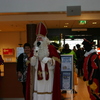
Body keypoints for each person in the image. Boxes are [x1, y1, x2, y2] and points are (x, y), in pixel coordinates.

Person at [26, 22, 61, 100]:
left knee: (48, 92)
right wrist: (34, 56)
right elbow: (31, 64)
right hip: (37, 75)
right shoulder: (34, 49)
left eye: (40, 38)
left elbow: (57, 62)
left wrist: (49, 60)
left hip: (48, 75)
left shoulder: (51, 48)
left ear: (45, 39)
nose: (39, 40)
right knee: (38, 92)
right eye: (37, 38)